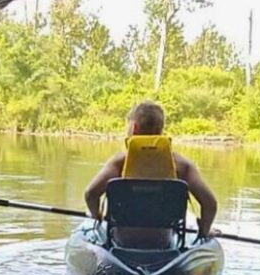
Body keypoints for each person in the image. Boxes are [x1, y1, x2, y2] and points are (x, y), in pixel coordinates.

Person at [83, 100, 218, 243]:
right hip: (162, 241)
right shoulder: (182, 166)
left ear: (134, 128)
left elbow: (91, 194)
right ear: (161, 130)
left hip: (123, 240)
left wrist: (97, 216)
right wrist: (204, 231)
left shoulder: (119, 162)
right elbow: (210, 204)